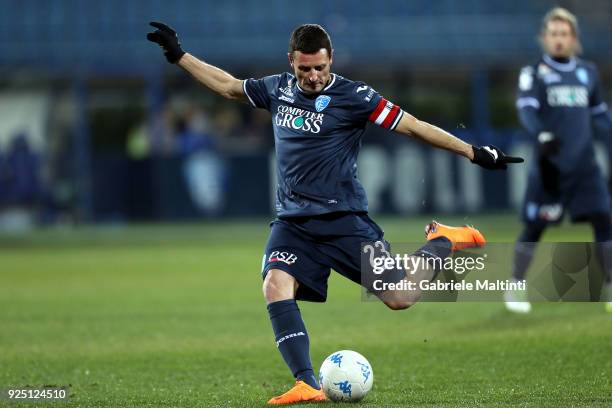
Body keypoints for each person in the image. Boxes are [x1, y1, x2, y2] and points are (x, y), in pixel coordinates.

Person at [148, 22, 523, 404]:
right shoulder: (276, 88)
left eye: (320, 68)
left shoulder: (355, 96)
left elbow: (413, 127)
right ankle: (307, 383)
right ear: (291, 62)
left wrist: (474, 152)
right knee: (275, 284)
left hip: (345, 221)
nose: (312, 77)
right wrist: (180, 57)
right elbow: (228, 85)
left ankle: (443, 240)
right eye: (304, 69)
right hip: (293, 223)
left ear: (331, 60)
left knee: (401, 297)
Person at [505, 7, 612, 314]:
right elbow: (527, 110)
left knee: (604, 219)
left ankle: (610, 286)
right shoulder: (534, 73)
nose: (559, 40)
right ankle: (514, 286)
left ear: (574, 38)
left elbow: (599, 115)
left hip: (585, 165)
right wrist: (540, 134)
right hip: (552, 165)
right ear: (544, 38)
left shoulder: (588, 72)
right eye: (553, 34)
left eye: (564, 34)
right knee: (535, 226)